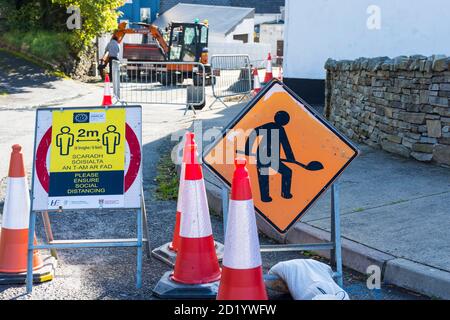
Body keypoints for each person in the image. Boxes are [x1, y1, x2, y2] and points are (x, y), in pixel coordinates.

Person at [244, 111, 296, 202]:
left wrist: (290, 158)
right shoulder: (269, 126)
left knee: (286, 172)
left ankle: (283, 194)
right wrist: (247, 150)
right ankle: (268, 196)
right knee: (264, 175)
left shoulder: (279, 129)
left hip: (272, 157)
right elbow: (253, 133)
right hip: (263, 156)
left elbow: (285, 144)